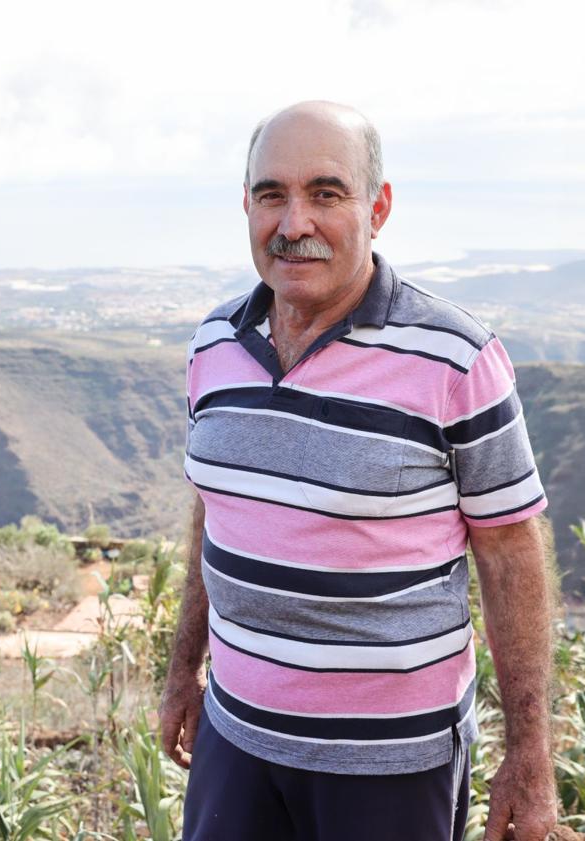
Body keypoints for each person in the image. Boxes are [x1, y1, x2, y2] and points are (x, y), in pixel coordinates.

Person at [159, 101, 557, 841]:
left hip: (390, 764)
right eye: (272, 194)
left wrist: (531, 757)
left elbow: (510, 553)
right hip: (235, 736)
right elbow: (216, 514)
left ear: (379, 207)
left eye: (326, 193)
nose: (294, 222)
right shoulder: (214, 343)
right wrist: (185, 672)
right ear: (246, 205)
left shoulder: (456, 356)